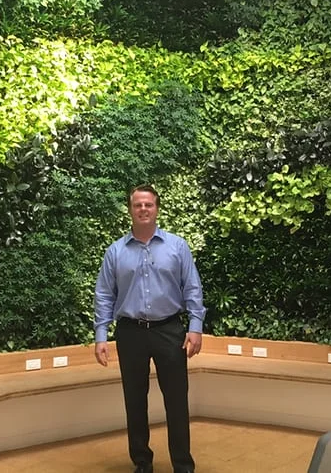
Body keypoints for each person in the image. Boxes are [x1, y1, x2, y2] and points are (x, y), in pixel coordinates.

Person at [94, 184, 206, 473]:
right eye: (137, 205)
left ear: (157, 208)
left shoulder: (177, 246)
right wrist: (101, 335)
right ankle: (142, 462)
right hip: (130, 333)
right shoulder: (115, 252)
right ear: (130, 209)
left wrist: (195, 326)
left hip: (170, 331)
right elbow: (105, 294)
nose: (143, 209)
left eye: (148, 205)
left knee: (177, 400)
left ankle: (183, 464)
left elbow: (192, 287)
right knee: (134, 400)